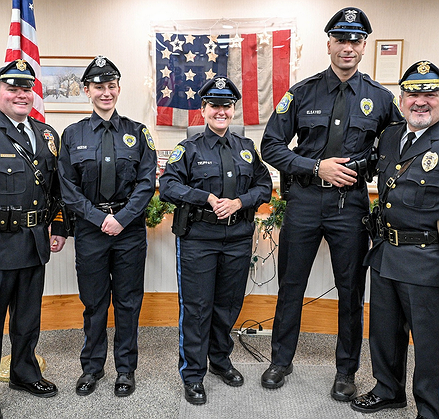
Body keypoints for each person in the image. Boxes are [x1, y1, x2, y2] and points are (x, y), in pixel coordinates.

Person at [260, 7, 403, 401]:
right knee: (291, 285)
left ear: (364, 46)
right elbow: (270, 145)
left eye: (355, 40)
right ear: (329, 45)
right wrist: (314, 166)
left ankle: (346, 371)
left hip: (350, 205)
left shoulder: (380, 98)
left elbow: (395, 150)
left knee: (351, 291)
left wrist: (367, 168)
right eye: (341, 40)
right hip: (304, 200)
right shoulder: (301, 92)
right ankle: (280, 361)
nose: (347, 47)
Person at [159, 76, 272, 405]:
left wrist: (239, 202)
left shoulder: (246, 149)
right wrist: (206, 197)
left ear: (233, 109)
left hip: (237, 238)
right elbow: (168, 186)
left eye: (227, 106)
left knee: (227, 306)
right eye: (214, 106)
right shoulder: (189, 148)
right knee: (197, 308)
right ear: (204, 109)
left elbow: (264, 187)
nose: (221, 111)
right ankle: (193, 373)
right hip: (199, 239)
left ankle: (220, 360)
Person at [57, 56, 157, 397]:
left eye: (111, 86)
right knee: (94, 303)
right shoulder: (72, 135)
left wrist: (121, 219)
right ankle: (92, 368)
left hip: (129, 231)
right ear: (87, 90)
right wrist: (101, 219)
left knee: (128, 303)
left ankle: (125, 370)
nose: (106, 92)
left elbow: (146, 183)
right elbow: (68, 188)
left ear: (118, 89)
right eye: (98, 86)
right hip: (90, 229)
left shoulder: (137, 133)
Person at [351, 61, 439, 419]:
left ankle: (430, 408)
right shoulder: (390, 135)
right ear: (401, 100)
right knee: (384, 331)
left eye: (430, 94)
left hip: (426, 258)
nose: (421, 102)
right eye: (413, 94)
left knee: (430, 341)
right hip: (386, 252)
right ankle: (388, 390)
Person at [0, 59, 67, 399]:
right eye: (12, 88)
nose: (20, 95)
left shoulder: (46, 134)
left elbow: (57, 189)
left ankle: (23, 373)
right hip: (0, 243)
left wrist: (59, 226)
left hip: (33, 241)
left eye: (26, 89)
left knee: (27, 318)